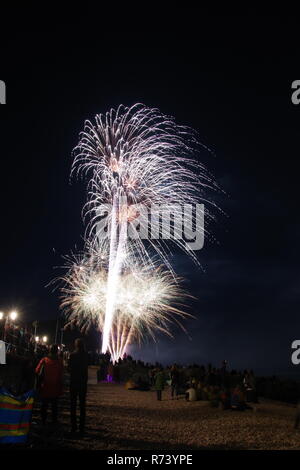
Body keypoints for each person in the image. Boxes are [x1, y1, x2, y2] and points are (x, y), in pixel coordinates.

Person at [35, 344, 63, 425]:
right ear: (57, 352)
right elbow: (61, 375)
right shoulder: (60, 361)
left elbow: (37, 371)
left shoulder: (44, 360)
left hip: (45, 386)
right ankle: (54, 421)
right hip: (55, 387)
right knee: (54, 406)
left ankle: (43, 420)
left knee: (44, 405)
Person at [69, 338, 89, 435]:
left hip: (74, 382)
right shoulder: (86, 355)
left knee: (73, 405)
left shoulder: (72, 355)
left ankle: (73, 427)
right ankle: (81, 427)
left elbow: (69, 369)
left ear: (76, 345)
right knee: (82, 406)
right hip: (83, 383)